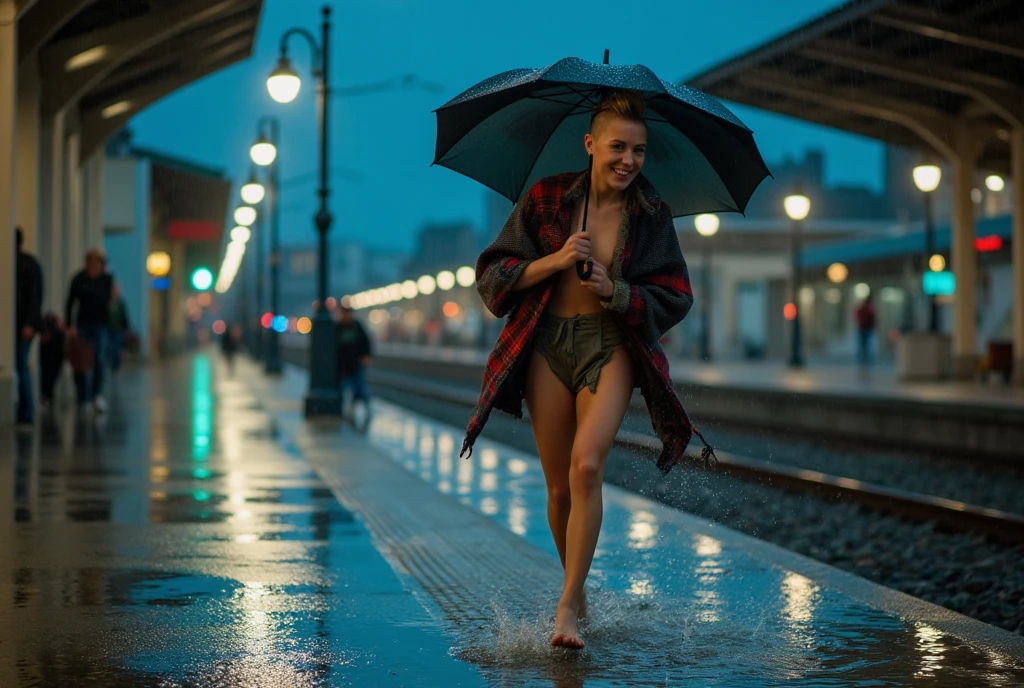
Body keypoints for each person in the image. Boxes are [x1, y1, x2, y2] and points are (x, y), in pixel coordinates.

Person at [463, 90, 711, 649]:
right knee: (556, 489)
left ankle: (568, 606)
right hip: (546, 345)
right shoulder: (548, 198)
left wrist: (615, 289)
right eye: (618, 147)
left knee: (586, 467)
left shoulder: (651, 213)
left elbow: (675, 295)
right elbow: (493, 273)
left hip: (610, 347)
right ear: (590, 143)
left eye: (639, 151)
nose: (628, 160)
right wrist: (552, 261)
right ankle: (578, 589)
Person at [65, 248, 113, 413]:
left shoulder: (106, 279)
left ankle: (96, 395)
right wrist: (69, 325)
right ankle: (82, 397)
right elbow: (70, 302)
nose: (93, 265)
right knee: (81, 361)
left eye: (97, 262)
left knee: (99, 360)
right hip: (82, 324)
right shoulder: (79, 279)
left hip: (100, 324)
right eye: (91, 262)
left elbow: (109, 301)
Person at [15, 228, 44, 425]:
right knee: (20, 365)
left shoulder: (27, 264)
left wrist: (29, 323)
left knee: (21, 364)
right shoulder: (26, 263)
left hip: (23, 324)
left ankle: (27, 410)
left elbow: (35, 297)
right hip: (20, 323)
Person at [335, 306, 373, 423]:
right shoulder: (338, 327)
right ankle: (343, 410)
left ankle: (366, 409)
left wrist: (366, 356)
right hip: (343, 366)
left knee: (360, 387)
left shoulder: (356, 326)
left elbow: (366, 341)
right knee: (342, 388)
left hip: (356, 364)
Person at [107, 282, 131, 377]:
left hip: (118, 330)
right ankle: (109, 366)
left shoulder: (121, 304)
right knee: (108, 349)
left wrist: (126, 329)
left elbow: (124, 317)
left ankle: (115, 368)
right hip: (108, 330)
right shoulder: (107, 302)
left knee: (116, 349)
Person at [855, 291, 876, 368]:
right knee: (863, 345)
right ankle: (863, 360)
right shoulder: (865, 309)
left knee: (866, 345)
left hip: (866, 329)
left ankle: (865, 360)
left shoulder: (869, 309)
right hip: (863, 328)